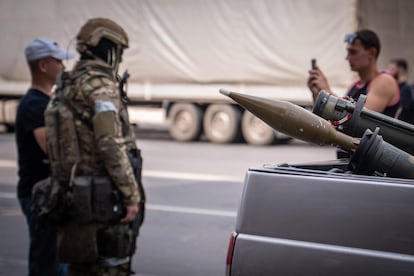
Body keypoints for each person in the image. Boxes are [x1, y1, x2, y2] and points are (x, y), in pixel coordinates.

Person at [44, 17, 144, 275]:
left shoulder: (67, 84)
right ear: (107, 48)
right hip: (103, 201)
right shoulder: (101, 87)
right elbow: (110, 144)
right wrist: (131, 194)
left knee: (81, 267)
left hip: (74, 197)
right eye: (117, 51)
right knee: (110, 266)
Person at [15, 38, 74, 275]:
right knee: (47, 265)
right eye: (58, 61)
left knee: (58, 261)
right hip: (39, 196)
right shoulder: (33, 105)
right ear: (43, 66)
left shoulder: (46, 102)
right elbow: (54, 150)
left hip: (50, 195)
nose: (63, 66)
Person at [308, 29, 400, 118]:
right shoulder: (354, 86)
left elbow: (361, 116)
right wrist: (317, 93)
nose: (347, 58)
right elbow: (334, 117)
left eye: (353, 52)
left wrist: (326, 90)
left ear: (372, 53)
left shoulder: (384, 81)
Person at [388, 58, 414, 124]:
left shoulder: (405, 89)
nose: (389, 72)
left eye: (392, 69)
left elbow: (399, 112)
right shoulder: (394, 86)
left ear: (401, 70)